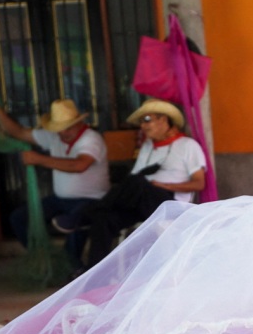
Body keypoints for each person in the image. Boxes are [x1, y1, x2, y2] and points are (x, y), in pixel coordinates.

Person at [69, 98, 207, 269]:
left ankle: (84, 214)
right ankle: (95, 275)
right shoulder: (148, 146)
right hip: (142, 202)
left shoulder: (188, 146)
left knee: (138, 184)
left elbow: (199, 184)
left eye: (147, 120)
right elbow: (132, 182)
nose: (143, 126)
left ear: (163, 120)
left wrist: (167, 186)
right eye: (141, 121)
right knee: (103, 219)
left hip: (169, 202)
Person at [0, 90, 110, 270]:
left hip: (92, 199)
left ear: (79, 122)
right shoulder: (53, 136)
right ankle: (47, 258)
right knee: (19, 218)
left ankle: (74, 267)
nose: (63, 133)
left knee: (75, 220)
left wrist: (39, 160)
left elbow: (79, 165)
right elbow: (17, 132)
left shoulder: (91, 139)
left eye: (68, 127)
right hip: (60, 200)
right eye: (59, 128)